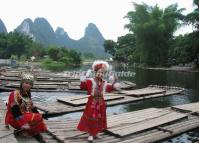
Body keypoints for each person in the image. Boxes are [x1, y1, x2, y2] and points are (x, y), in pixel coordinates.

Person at [77, 60, 121, 142]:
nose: (100, 74)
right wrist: (83, 79)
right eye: (99, 72)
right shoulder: (90, 81)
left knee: (99, 118)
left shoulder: (105, 83)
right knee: (91, 118)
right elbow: (83, 87)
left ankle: (96, 133)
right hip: (92, 104)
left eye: (102, 73)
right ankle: (90, 134)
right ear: (95, 72)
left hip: (101, 103)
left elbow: (112, 88)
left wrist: (114, 83)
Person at [5, 72, 47, 142]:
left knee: (39, 117)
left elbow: (32, 108)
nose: (28, 85)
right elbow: (15, 110)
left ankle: (26, 131)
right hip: (14, 118)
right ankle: (24, 129)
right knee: (36, 117)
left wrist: (41, 116)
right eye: (26, 83)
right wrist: (23, 123)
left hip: (24, 116)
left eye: (30, 84)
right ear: (22, 83)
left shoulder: (26, 95)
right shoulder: (15, 94)